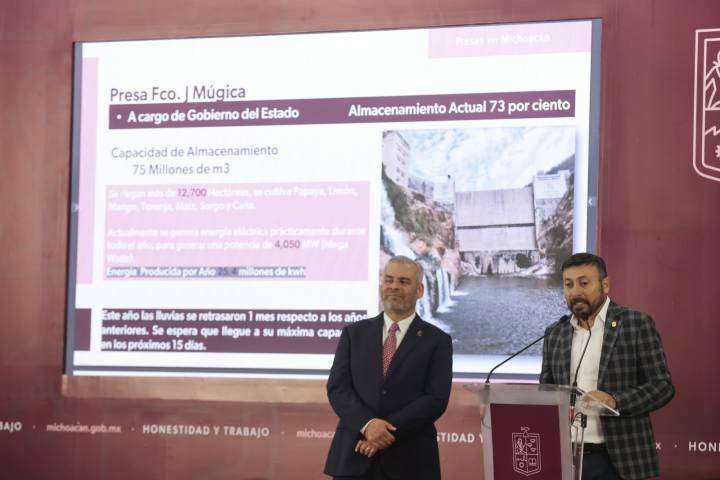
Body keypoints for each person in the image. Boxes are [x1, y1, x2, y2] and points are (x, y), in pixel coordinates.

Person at [540, 253, 674, 480]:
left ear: (605, 285)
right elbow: (547, 390)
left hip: (618, 460)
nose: (575, 292)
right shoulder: (555, 332)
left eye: (584, 283)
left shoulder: (635, 324)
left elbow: (663, 387)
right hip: (565, 458)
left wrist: (615, 400)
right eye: (568, 284)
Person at [324, 255, 453, 480]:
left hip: (411, 461)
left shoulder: (438, 341)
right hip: (354, 455)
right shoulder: (354, 334)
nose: (394, 286)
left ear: (420, 290)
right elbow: (338, 388)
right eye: (389, 280)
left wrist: (383, 432)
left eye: (403, 282)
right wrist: (368, 425)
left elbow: (435, 399)